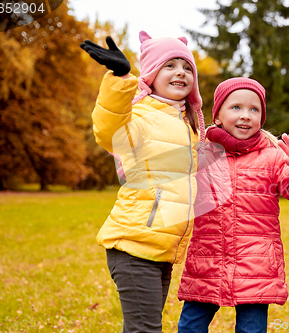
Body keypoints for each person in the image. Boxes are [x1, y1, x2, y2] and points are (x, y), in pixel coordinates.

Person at [177, 78, 289, 333]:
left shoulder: (273, 157)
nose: (246, 116)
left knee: (251, 330)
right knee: (190, 327)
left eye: (254, 109)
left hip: (256, 264)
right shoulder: (201, 153)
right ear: (218, 116)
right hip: (207, 259)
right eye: (236, 108)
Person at [80, 31, 205, 333]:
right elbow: (109, 131)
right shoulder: (140, 116)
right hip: (135, 245)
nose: (180, 72)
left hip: (161, 248)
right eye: (170, 65)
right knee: (146, 329)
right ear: (151, 74)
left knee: (144, 327)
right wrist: (121, 79)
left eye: (187, 67)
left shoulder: (188, 125)